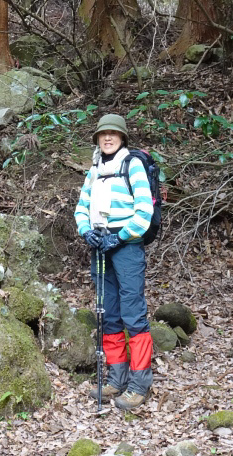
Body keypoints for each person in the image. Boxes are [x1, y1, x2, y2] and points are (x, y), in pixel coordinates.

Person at [74, 114, 154, 410]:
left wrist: (120, 237)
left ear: (122, 137)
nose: (108, 138)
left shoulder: (132, 165)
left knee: (133, 314)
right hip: (100, 248)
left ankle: (139, 384)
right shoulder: (95, 169)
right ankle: (116, 378)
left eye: (113, 133)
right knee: (108, 314)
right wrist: (87, 232)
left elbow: (144, 211)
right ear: (97, 138)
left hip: (127, 249)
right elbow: (81, 208)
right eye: (103, 134)